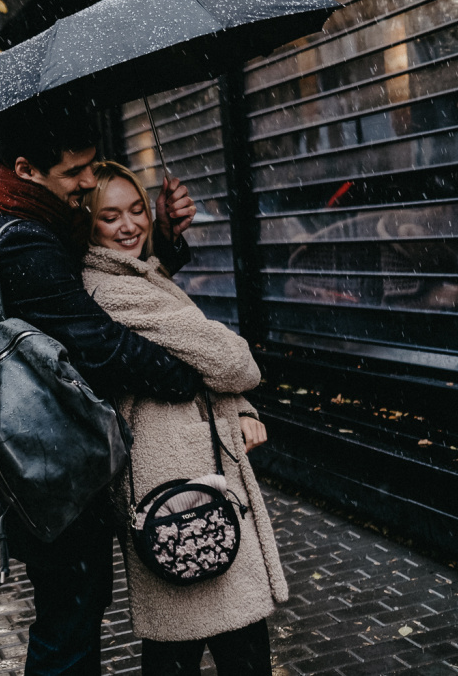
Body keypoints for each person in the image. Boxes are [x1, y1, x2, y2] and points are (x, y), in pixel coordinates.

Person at [0, 113, 202, 676]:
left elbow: (102, 289)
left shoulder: (24, 219)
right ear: (27, 169)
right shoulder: (24, 241)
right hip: (52, 469)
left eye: (92, 165)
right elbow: (102, 345)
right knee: (67, 629)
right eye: (75, 172)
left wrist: (163, 237)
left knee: (73, 614)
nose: (90, 181)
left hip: (43, 461)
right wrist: (193, 373)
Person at [80, 161, 289, 676]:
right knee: (217, 638)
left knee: (192, 639)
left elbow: (196, 366)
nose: (129, 225)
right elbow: (231, 362)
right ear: (86, 223)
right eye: (110, 216)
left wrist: (240, 408)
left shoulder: (141, 274)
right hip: (175, 481)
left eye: (136, 210)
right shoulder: (113, 290)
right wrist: (234, 377)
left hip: (185, 471)